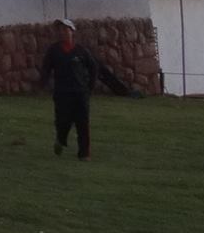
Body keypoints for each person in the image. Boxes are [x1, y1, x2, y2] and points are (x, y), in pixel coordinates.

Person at [38, 17, 135, 159]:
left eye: (65, 29)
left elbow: (93, 68)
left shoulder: (81, 51)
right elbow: (46, 69)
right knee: (63, 121)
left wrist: (89, 87)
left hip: (80, 93)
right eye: (60, 30)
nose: (62, 32)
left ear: (72, 31)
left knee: (82, 123)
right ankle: (61, 140)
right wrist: (42, 84)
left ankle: (84, 154)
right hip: (62, 93)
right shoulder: (54, 50)